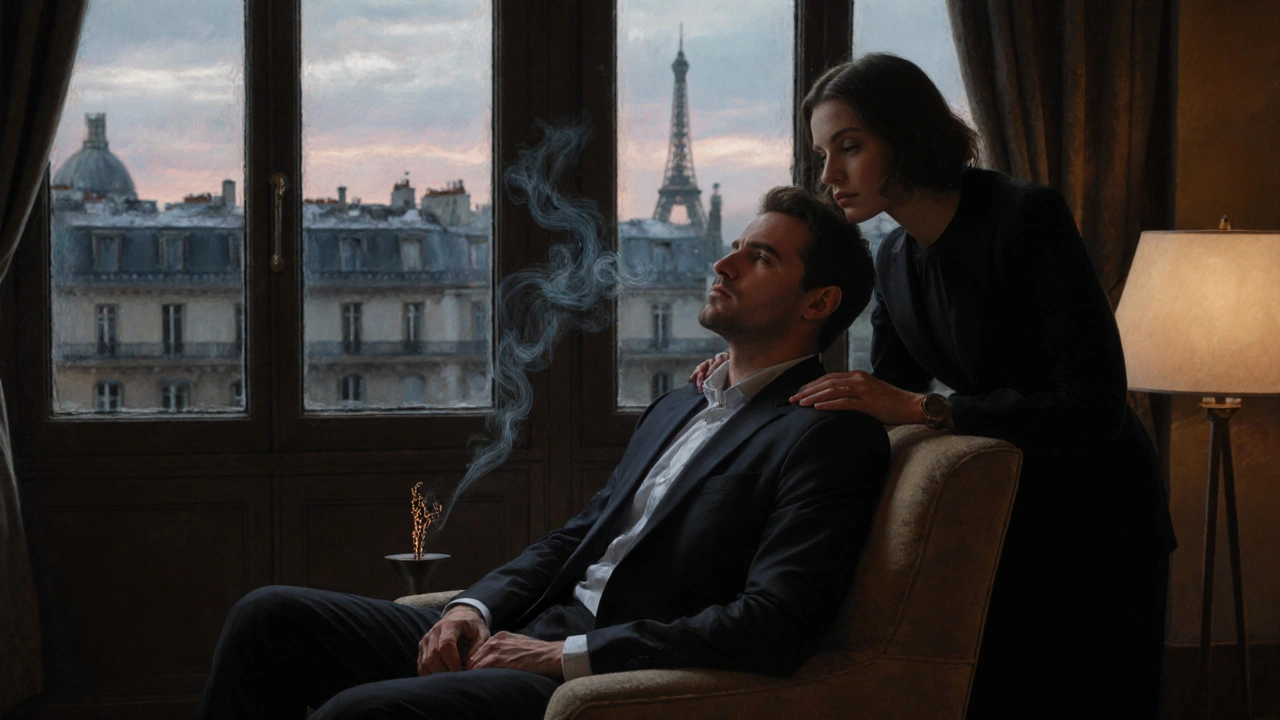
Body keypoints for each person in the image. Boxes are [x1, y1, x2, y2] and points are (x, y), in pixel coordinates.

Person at [197, 186, 890, 720]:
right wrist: (473, 609)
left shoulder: (827, 433)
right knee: (268, 618)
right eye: (737, 244)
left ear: (818, 301)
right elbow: (573, 541)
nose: (722, 261)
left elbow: (775, 623)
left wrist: (566, 657)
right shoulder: (681, 404)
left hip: (596, 671)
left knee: (362, 713)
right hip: (524, 631)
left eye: (760, 258)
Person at [693, 54, 1176, 719]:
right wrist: (750, 383)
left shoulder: (1024, 216)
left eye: (850, 147)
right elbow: (877, 396)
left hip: (1098, 517)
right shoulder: (894, 260)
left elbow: (1095, 405)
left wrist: (929, 409)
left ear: (908, 133)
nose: (830, 175)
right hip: (996, 522)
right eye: (823, 153)